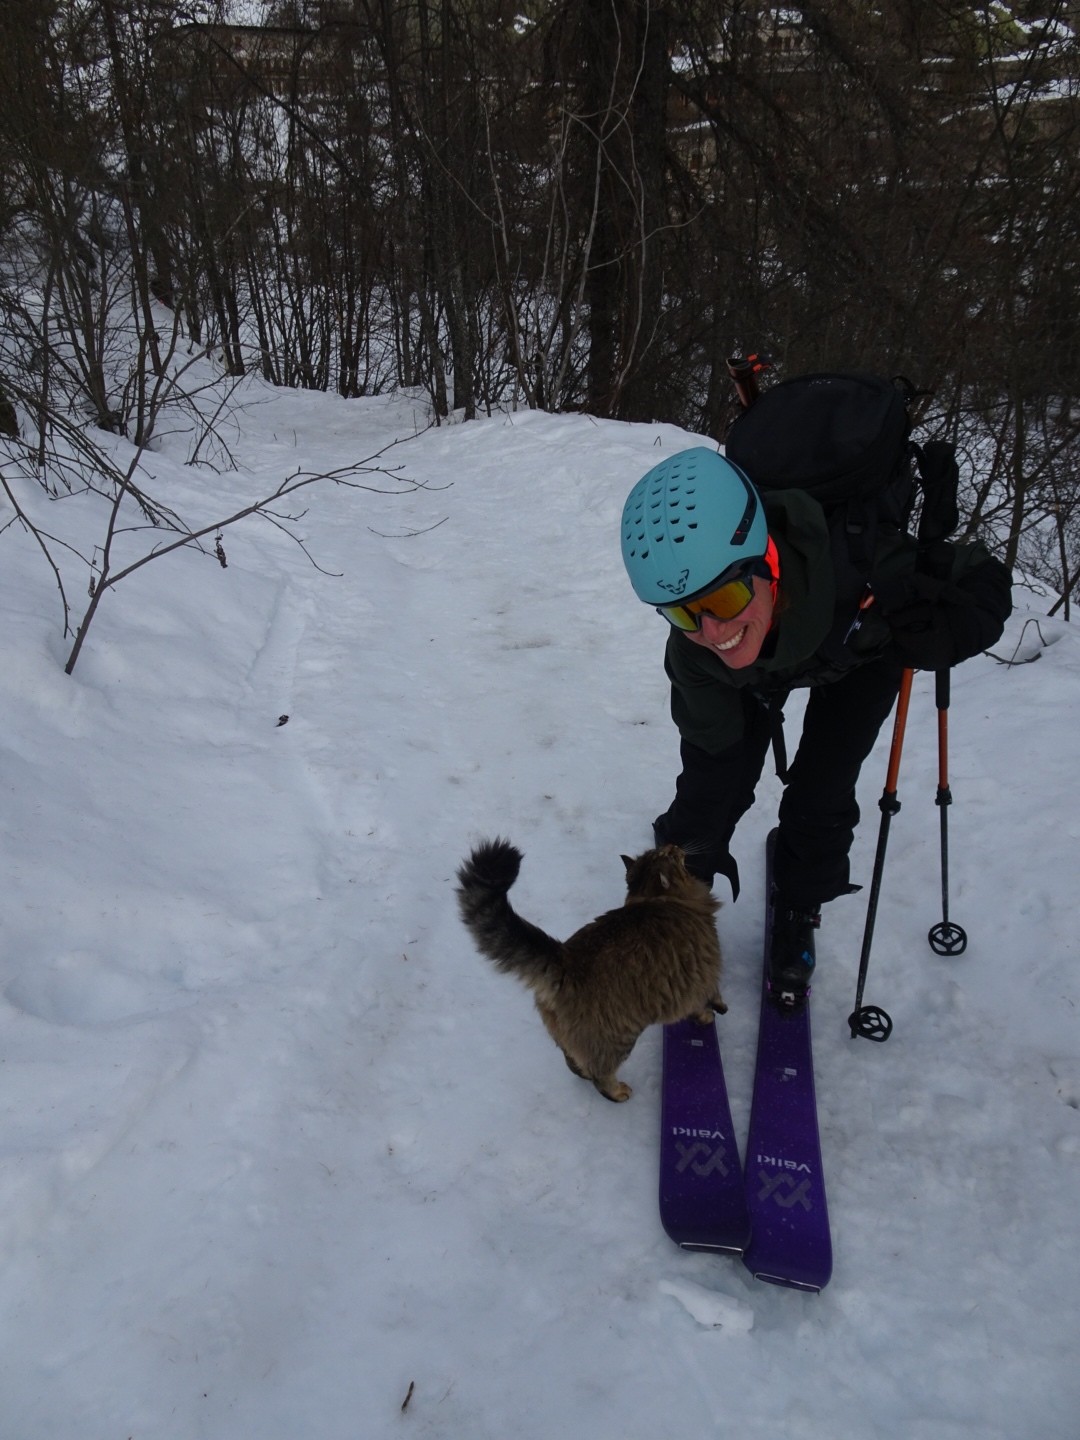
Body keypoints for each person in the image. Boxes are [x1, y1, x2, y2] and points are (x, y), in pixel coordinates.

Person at [620, 445, 1012, 1007]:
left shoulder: (869, 566)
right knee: (713, 786)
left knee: (825, 783)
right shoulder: (698, 654)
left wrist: (953, 627)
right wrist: (681, 878)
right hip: (760, 670)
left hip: (859, 650)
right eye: (683, 612)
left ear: (768, 562)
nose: (711, 628)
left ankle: (800, 903)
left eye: (726, 596)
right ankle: (676, 901)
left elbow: (981, 574)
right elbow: (710, 768)